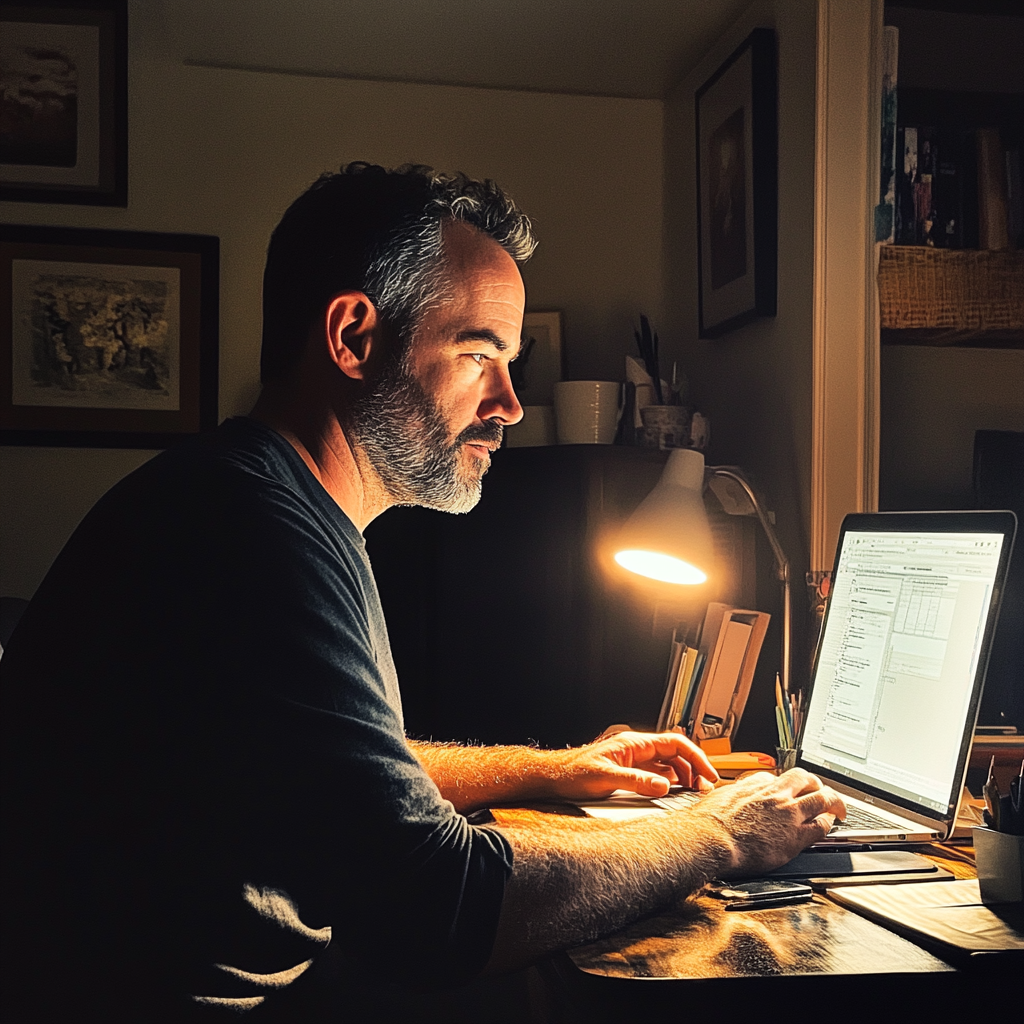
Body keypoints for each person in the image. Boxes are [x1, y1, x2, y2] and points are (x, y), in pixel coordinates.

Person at [0, 163, 845, 1022]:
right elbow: (439, 912)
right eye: (480, 354)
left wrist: (554, 771)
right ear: (354, 337)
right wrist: (720, 833)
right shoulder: (252, 535)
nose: (511, 404)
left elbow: (337, 777)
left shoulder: (267, 504)